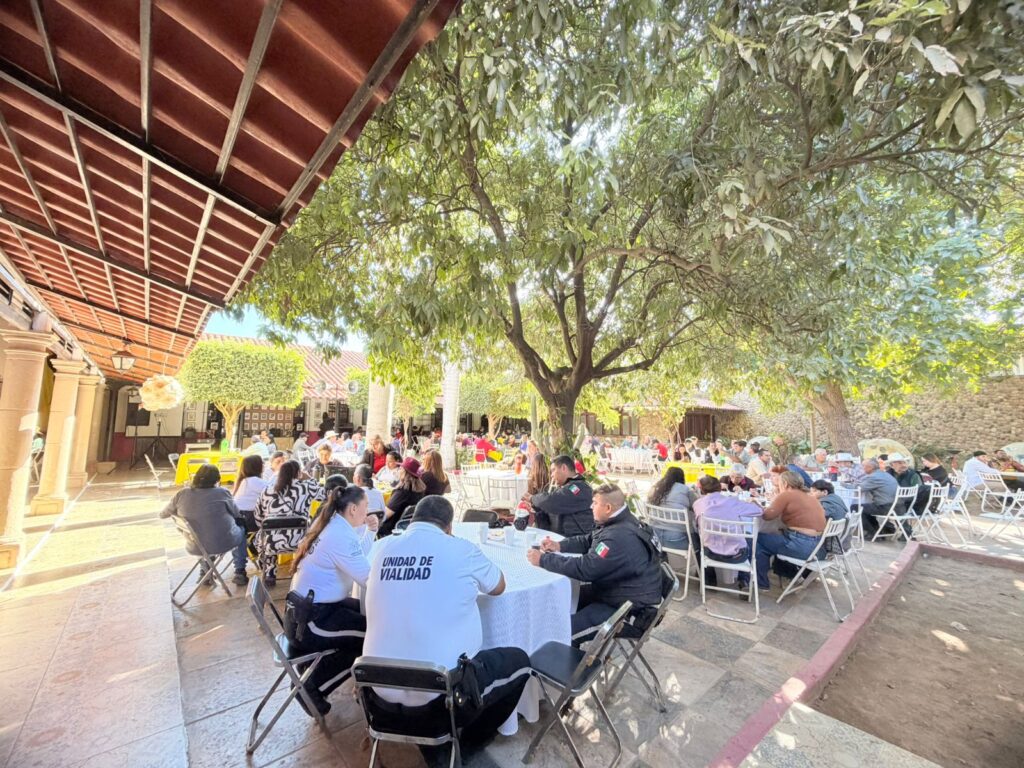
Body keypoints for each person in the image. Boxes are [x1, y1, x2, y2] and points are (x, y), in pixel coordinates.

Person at [363, 496, 530, 755]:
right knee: (520, 662)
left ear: (413, 519)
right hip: (441, 705)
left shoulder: (382, 549)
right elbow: (499, 587)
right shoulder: (460, 549)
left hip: (377, 699)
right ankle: (468, 746)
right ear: (449, 527)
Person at [286, 484, 378, 716]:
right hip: (311, 621)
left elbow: (356, 556)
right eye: (366, 506)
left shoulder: (335, 525)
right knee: (370, 637)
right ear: (354, 509)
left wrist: (371, 533)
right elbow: (368, 577)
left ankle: (313, 672)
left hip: (311, 610)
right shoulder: (339, 535)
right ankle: (310, 688)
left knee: (369, 615)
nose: (368, 511)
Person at [529, 484, 662, 645]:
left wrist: (543, 560)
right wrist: (559, 545)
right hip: (617, 593)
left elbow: (586, 568)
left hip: (628, 611)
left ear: (607, 507)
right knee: (560, 597)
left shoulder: (619, 536)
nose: (591, 506)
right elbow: (589, 540)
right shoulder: (620, 522)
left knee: (559, 632)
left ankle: (568, 667)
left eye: (595, 503)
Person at [161, 464, 248, 584]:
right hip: (222, 543)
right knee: (242, 528)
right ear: (217, 479)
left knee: (200, 532)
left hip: (195, 546)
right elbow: (237, 514)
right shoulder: (222, 492)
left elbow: (163, 514)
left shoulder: (182, 494)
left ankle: (205, 570)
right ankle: (240, 571)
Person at [254, 460, 324, 586]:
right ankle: (302, 570)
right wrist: (310, 478)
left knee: (264, 535)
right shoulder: (306, 487)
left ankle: (270, 571)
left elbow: (258, 517)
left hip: (271, 543)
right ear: (298, 473)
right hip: (300, 541)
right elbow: (325, 495)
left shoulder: (267, 490)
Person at [755, 471, 826, 591]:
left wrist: (756, 505)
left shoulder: (787, 495)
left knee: (757, 539)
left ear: (785, 484)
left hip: (801, 547)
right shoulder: (811, 496)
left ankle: (761, 582)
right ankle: (788, 575)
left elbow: (767, 516)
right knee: (773, 537)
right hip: (819, 549)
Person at [692, 475, 763, 586]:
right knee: (749, 538)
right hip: (737, 555)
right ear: (720, 487)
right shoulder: (732, 502)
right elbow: (759, 511)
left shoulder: (697, 504)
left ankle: (707, 580)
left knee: (698, 537)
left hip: (709, 552)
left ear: (701, 489)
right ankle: (744, 580)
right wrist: (754, 500)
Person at [521, 454, 594, 537]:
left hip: (576, 544)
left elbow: (552, 502)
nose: (551, 475)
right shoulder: (564, 489)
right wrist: (537, 509)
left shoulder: (578, 488)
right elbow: (550, 518)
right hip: (560, 542)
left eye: (553, 470)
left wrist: (532, 498)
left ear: (563, 468)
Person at [232, 455, 267, 582]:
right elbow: (275, 490)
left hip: (237, 519)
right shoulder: (254, 481)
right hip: (248, 519)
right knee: (273, 525)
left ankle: (253, 553)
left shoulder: (244, 481)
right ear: (258, 467)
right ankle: (265, 559)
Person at [646, 466, 696, 552]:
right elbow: (696, 506)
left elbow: (647, 506)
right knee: (698, 540)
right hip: (677, 538)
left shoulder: (655, 488)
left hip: (654, 536)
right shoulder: (685, 490)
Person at [378, 457, 427, 537]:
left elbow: (385, 515)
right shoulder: (420, 489)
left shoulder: (402, 492)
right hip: (406, 525)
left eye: (401, 468)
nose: (399, 469)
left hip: (391, 528)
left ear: (404, 472)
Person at [851, 459, 899, 537]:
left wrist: (847, 484)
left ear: (870, 467)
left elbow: (859, 488)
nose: (862, 468)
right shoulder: (885, 474)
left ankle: (872, 532)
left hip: (885, 507)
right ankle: (877, 530)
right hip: (896, 506)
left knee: (856, 507)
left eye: (863, 466)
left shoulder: (873, 477)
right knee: (866, 506)